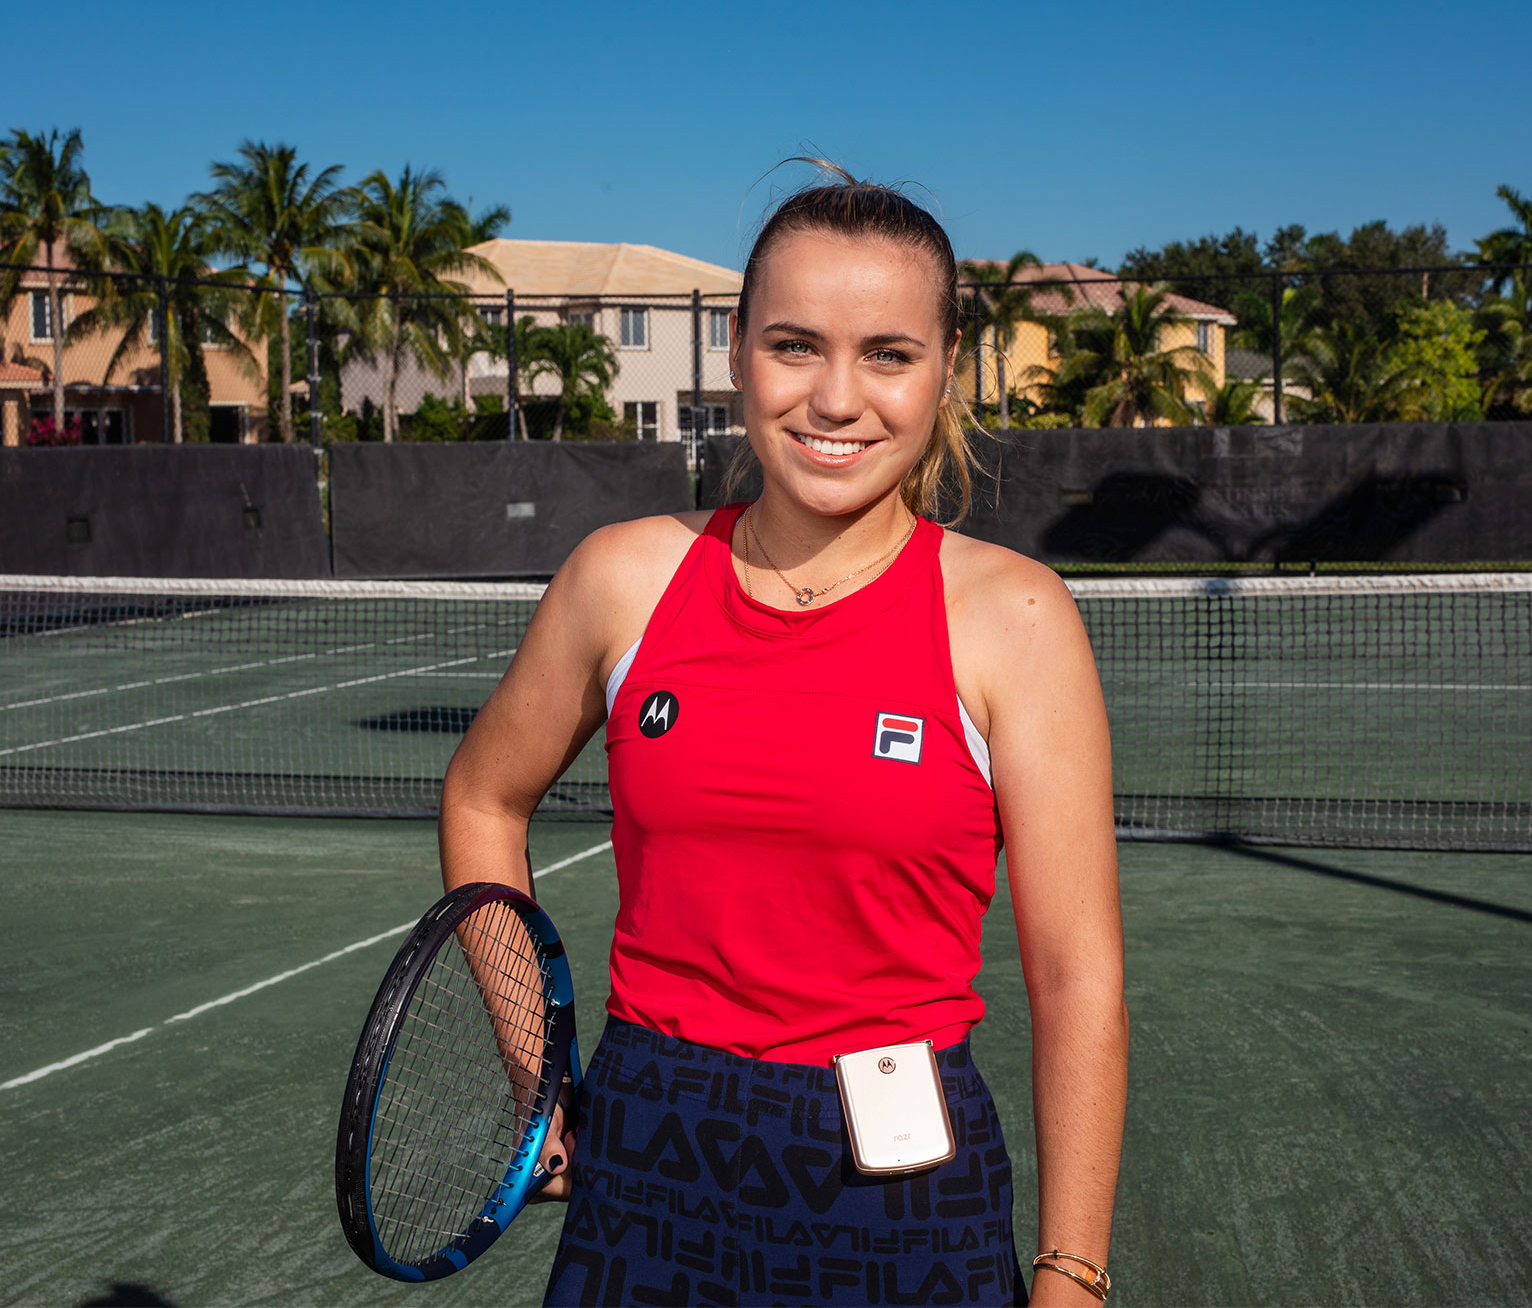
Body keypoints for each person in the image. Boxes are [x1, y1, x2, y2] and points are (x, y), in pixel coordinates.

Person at [440, 165, 1127, 1307]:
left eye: (888, 354)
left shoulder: (1014, 619)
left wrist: (1070, 1273)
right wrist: (535, 1064)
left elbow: (1074, 977)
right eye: (795, 345)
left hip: (902, 1195)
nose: (835, 398)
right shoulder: (623, 578)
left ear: (945, 369)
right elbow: (481, 798)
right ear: (737, 352)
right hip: (645, 1162)